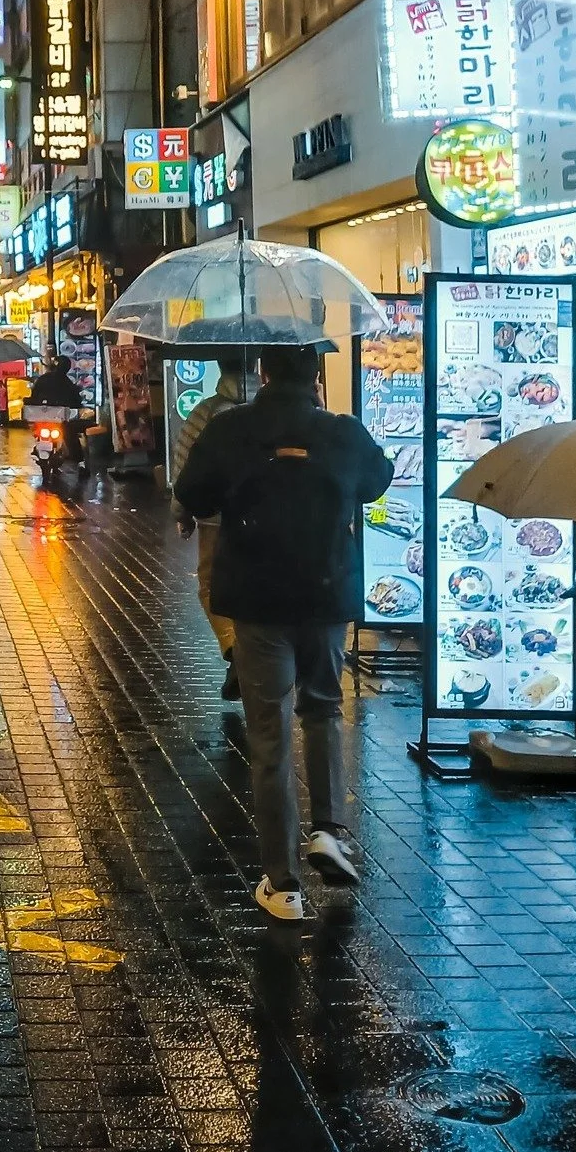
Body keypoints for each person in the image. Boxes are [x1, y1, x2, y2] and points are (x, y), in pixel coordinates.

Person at [176, 344, 392, 922]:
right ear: (317, 376)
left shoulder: (231, 428)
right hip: (325, 595)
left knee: (268, 732)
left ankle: (284, 884)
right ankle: (327, 830)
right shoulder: (342, 431)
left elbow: (192, 493)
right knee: (323, 709)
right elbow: (378, 481)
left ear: (263, 372)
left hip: (257, 598)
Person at [171, 351, 258, 702]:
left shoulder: (206, 411)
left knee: (210, 586)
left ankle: (236, 649)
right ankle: (253, 653)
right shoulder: (271, 411)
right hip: (262, 516)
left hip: (215, 518)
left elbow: (186, 463)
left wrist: (183, 513)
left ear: (220, 368)